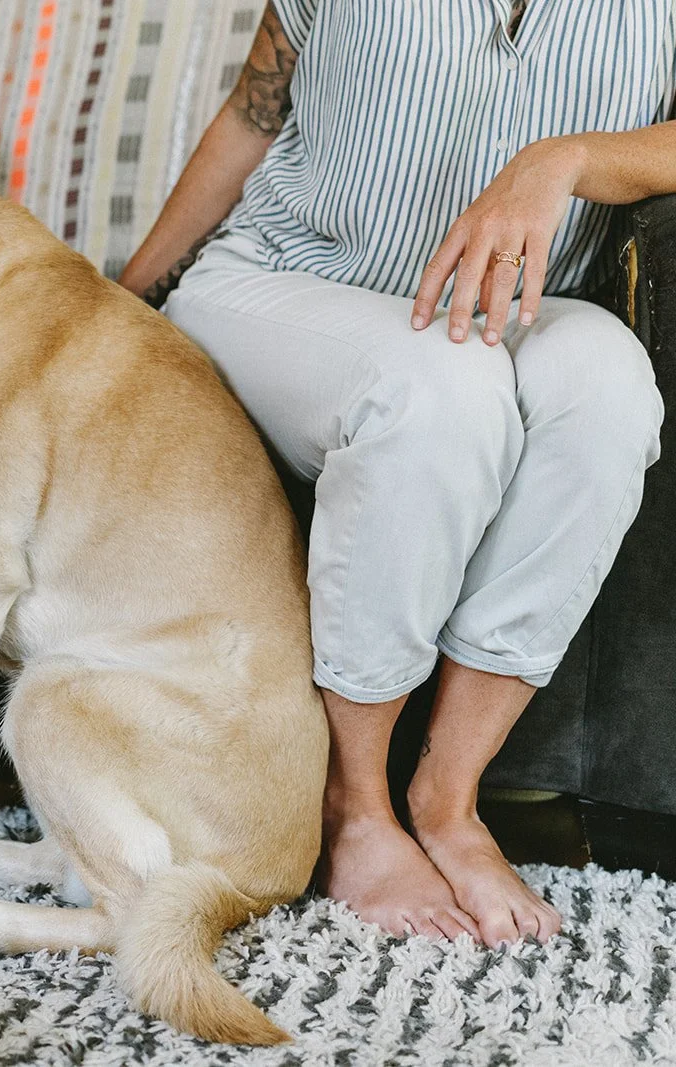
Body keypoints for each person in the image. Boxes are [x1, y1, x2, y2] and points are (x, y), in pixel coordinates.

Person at [120, 0, 669, 947]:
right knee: (438, 390)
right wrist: (124, 301)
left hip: (502, 305)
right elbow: (257, 113)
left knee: (610, 389)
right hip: (284, 285)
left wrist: (565, 159)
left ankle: (447, 803)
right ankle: (353, 807)